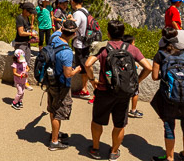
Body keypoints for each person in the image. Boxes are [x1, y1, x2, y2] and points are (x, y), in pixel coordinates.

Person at [85, 20, 152, 160]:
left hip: (104, 90)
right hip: (123, 92)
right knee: (119, 124)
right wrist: (136, 82)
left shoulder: (103, 47)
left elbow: (88, 64)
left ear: (108, 33)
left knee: (97, 121)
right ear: (122, 33)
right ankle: (114, 152)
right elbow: (149, 67)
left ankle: (95, 149)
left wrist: (92, 80)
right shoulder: (132, 49)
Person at [150, 27, 184, 161]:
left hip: (168, 97)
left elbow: (154, 76)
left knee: (169, 127)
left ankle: (169, 157)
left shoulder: (160, 55)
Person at [48, 20, 82, 151]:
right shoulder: (67, 52)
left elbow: (58, 30)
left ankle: (55, 132)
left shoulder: (54, 38)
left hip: (51, 81)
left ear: (62, 30)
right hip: (61, 85)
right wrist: (77, 70)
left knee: (52, 108)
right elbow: (68, 74)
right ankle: (54, 142)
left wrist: (66, 23)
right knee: (58, 112)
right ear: (73, 34)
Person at [70, 0, 91, 99]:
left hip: (79, 44)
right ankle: (84, 88)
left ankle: (85, 90)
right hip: (86, 42)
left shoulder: (77, 14)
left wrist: (69, 21)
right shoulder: (85, 11)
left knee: (83, 67)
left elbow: (73, 27)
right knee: (84, 66)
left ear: (72, 2)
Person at [14, 2, 38, 90]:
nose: (30, 14)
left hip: (26, 43)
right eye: (29, 12)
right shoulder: (20, 18)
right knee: (20, 63)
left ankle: (24, 81)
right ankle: (18, 81)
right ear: (24, 10)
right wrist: (31, 33)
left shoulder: (26, 17)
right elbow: (20, 32)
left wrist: (31, 31)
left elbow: (26, 29)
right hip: (20, 44)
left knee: (26, 63)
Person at [122, 34, 143, 119]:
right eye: (133, 42)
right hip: (131, 76)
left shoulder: (120, 49)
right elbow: (148, 67)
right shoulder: (133, 50)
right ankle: (133, 110)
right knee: (135, 92)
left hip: (120, 75)